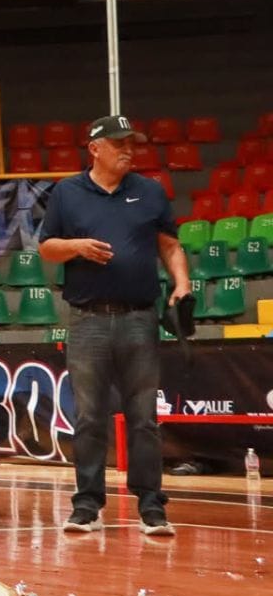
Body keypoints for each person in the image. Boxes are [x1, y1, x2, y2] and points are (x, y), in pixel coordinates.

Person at [38, 114, 191, 537]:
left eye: (132, 144)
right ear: (95, 148)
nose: (129, 151)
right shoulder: (68, 193)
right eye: (120, 144)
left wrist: (181, 282)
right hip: (88, 320)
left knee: (143, 417)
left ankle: (151, 505)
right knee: (89, 417)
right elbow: (47, 248)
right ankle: (87, 504)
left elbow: (170, 244)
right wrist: (77, 247)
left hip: (140, 318)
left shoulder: (150, 191)